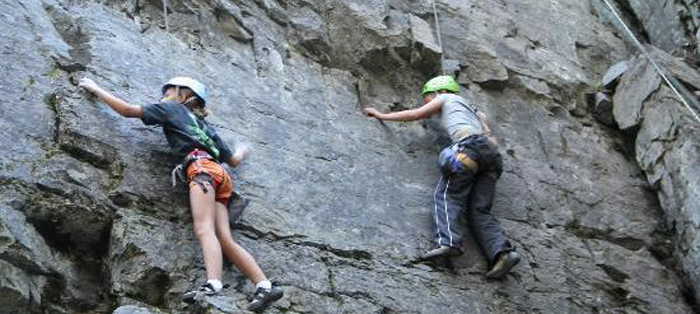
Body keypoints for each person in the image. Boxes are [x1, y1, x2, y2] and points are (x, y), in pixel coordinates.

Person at [79, 76, 283, 311]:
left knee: (203, 228)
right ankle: (264, 285)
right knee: (224, 238)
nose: (162, 97)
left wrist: (96, 89)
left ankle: (213, 284)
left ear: (183, 95)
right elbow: (234, 160)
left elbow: (127, 110)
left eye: (167, 93)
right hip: (221, 176)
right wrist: (243, 149)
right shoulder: (206, 127)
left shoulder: (171, 109)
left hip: (200, 171)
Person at [362, 75, 520, 279]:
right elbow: (493, 141)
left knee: (446, 195)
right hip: (492, 159)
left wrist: (380, 115)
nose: (430, 107)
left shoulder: (446, 98)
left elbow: (416, 114)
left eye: (428, 99)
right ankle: (502, 254)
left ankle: (448, 242)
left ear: (439, 91)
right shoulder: (476, 112)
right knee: (479, 210)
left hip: (469, 149)